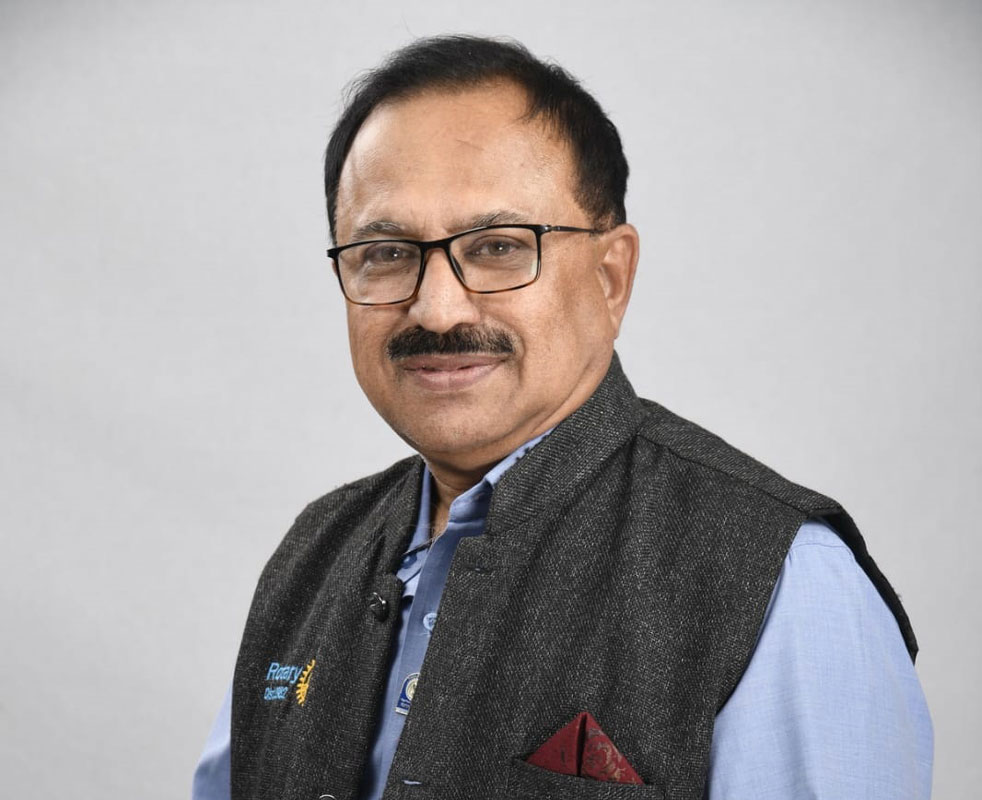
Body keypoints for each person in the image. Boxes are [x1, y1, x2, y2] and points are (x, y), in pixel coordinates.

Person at [192, 35, 932, 800]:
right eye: (385, 252)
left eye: (499, 246)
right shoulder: (314, 554)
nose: (437, 308)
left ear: (612, 277)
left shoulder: (782, 580)